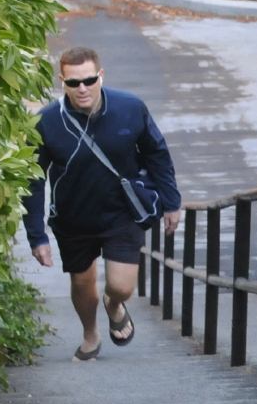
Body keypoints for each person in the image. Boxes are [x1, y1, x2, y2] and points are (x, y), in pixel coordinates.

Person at [23, 47, 183, 361]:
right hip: (73, 217)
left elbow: (157, 154)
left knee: (121, 286)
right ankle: (90, 333)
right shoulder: (45, 122)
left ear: (101, 76)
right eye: (73, 83)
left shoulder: (130, 107)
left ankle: (114, 304)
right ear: (62, 81)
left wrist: (171, 202)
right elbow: (32, 180)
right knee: (82, 284)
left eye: (88, 80)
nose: (81, 88)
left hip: (121, 213)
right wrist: (36, 237)